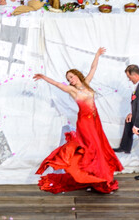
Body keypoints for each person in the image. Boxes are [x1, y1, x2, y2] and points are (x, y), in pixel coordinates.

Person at [33, 47, 122, 194]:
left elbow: (93, 68)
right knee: (90, 148)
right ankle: (90, 175)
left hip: (95, 120)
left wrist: (97, 55)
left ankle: (98, 175)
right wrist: (44, 77)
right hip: (84, 122)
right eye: (68, 79)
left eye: (71, 77)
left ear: (77, 75)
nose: (70, 80)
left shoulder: (86, 83)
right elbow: (57, 84)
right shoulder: (72, 90)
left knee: (98, 147)